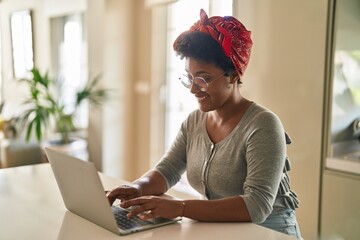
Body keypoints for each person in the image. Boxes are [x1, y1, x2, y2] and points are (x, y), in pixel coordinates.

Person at [107, 9, 301, 239]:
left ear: (232, 75)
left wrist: (180, 208)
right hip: (223, 230)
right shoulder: (195, 121)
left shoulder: (263, 125)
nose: (192, 88)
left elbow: (257, 206)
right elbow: (167, 170)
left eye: (203, 78)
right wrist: (137, 187)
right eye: (189, 78)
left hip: (269, 232)